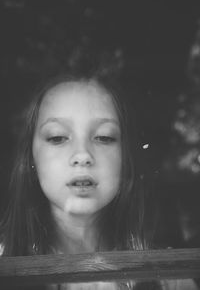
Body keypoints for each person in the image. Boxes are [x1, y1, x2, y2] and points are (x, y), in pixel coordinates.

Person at [0, 72, 198, 290]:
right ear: (31, 157)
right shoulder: (5, 265)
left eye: (104, 137)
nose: (82, 155)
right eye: (57, 137)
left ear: (125, 158)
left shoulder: (170, 279)